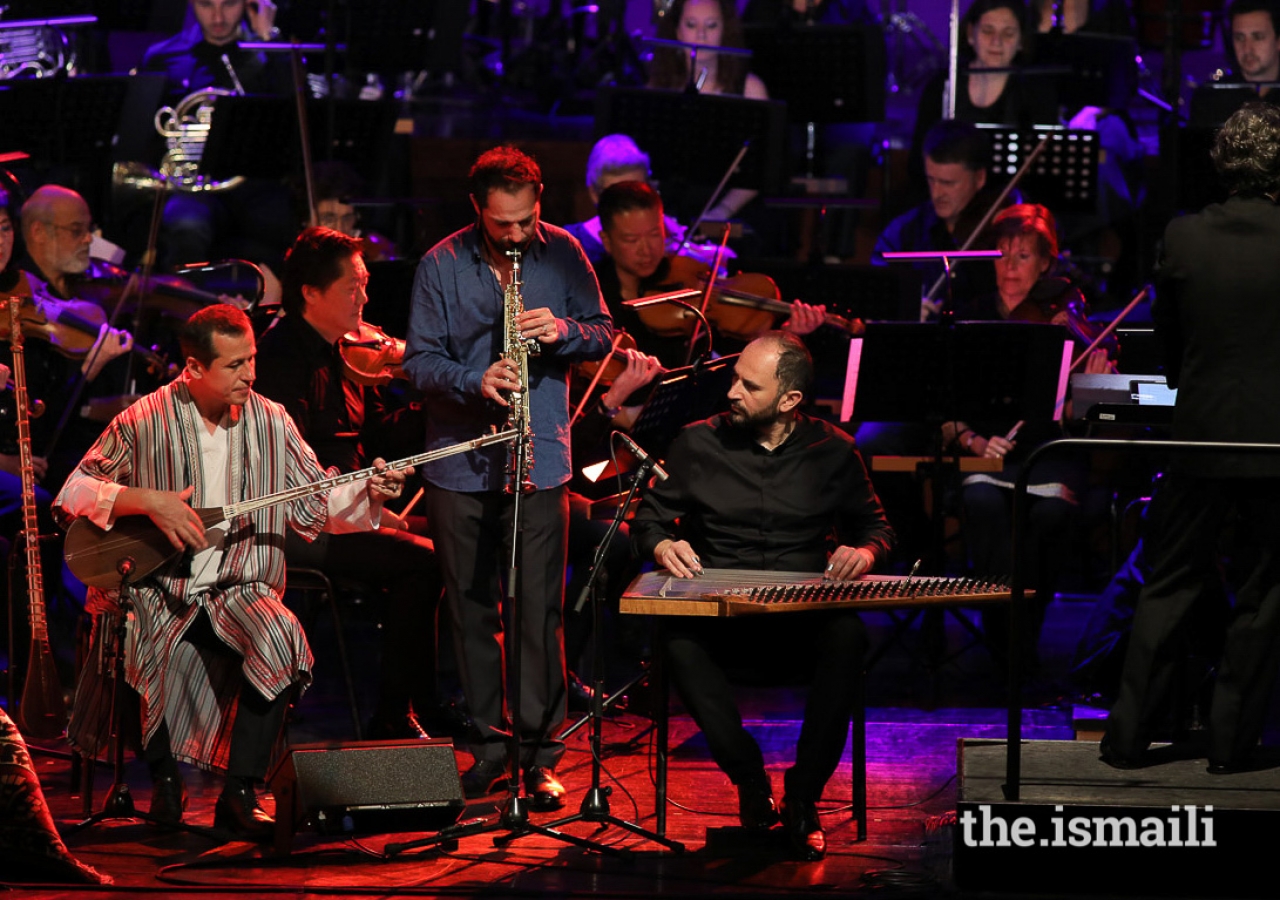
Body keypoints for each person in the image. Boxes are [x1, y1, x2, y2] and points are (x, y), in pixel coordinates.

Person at [55, 303, 409, 840]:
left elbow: (312, 501)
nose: (250, 375)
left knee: (281, 636)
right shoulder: (144, 419)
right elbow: (74, 491)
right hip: (160, 586)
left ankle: (240, 794)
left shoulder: (271, 419)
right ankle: (165, 782)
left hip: (239, 584)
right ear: (194, 368)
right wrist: (148, 500)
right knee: (136, 636)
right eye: (234, 365)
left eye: (252, 360)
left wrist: (367, 491)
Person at [630, 331, 894, 861]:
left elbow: (877, 529)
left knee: (847, 636)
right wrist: (663, 545)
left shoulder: (834, 450)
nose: (732, 393)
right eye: (734, 380)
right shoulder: (696, 442)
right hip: (723, 620)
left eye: (749, 386)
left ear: (790, 400)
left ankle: (802, 797)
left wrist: (864, 554)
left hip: (801, 622)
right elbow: (649, 519)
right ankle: (750, 780)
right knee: (677, 638)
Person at [403, 145, 613, 810]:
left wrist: (565, 332)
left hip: (541, 459)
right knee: (470, 612)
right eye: (504, 225)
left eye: (528, 221)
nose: (519, 235)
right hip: (460, 462)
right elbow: (418, 364)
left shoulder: (567, 256)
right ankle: (490, 750)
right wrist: (474, 380)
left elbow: (606, 333)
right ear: (477, 211)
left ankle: (542, 756)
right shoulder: (439, 264)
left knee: (537, 614)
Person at [1102, 102, 1280, 773]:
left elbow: (1169, 351)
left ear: (1220, 165)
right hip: (1276, 447)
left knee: (1169, 583)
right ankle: (1233, 744)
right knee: (1267, 591)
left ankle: (1125, 740)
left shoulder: (1183, 238)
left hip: (1201, 437)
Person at [254, 226, 445, 740]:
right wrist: (363, 491)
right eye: (352, 287)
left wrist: (436, 402)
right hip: (299, 526)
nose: (365, 296)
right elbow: (294, 467)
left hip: (354, 508)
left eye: (365, 283)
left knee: (461, 536)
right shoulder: (280, 361)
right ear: (310, 294)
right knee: (423, 561)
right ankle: (395, 713)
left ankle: (436, 700)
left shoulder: (352, 353)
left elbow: (381, 431)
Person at [594, 180, 826, 371]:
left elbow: (740, 357)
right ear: (607, 241)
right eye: (631, 240)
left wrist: (787, 334)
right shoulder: (592, 297)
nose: (646, 250)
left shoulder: (686, 275)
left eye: (655, 234)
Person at [138, 0, 297, 270]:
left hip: (255, 185)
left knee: (289, 229)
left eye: (229, 4)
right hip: (193, 188)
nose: (218, 16)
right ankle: (186, 307)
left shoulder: (267, 51)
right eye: (206, 5)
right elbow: (147, 134)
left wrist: (269, 40)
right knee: (186, 226)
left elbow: (296, 114)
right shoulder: (163, 56)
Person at [14, 185, 136, 489]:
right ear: (39, 232)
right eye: (76, 230)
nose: (88, 240)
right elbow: (40, 421)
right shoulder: (18, 305)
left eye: (89, 229)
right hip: (54, 460)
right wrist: (90, 381)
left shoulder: (85, 293)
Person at [908, 0, 1056, 203]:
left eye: (1008, 33)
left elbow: (1042, 173)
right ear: (970, 34)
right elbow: (918, 161)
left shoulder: (1036, 93)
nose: (997, 42)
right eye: (987, 31)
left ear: (1021, 40)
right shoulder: (942, 85)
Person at [647, 0, 767, 230]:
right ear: (677, 30)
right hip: (668, 215)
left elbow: (759, 172)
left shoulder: (750, 89)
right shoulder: (658, 88)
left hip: (733, 215)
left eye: (711, 26)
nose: (701, 35)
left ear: (725, 30)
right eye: (691, 25)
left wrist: (721, 213)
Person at [874, 120, 1004, 321]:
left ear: (979, 178)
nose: (937, 193)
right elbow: (879, 301)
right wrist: (904, 311)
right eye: (931, 180)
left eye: (948, 183)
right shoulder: (903, 232)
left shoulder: (1002, 228)